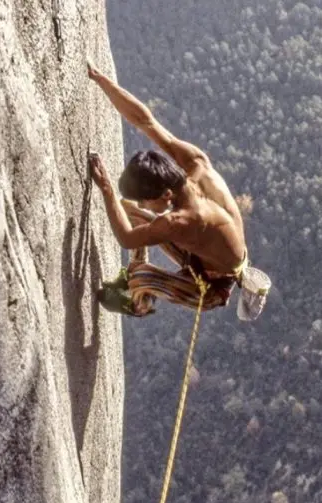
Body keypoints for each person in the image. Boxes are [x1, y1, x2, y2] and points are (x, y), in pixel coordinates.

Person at [87, 59, 251, 317]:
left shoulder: (181, 222)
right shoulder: (196, 163)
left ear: (166, 194)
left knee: (138, 275)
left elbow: (126, 238)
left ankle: (138, 303)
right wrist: (101, 80)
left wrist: (107, 189)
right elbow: (145, 121)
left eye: (146, 200)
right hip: (205, 253)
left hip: (210, 287)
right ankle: (134, 280)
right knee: (127, 210)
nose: (144, 205)